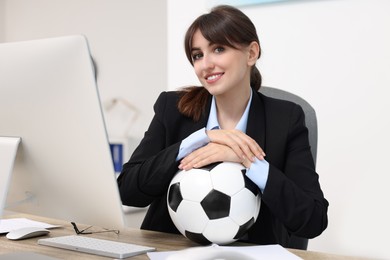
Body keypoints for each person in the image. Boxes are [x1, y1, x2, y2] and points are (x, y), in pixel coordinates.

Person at [117, 5, 328, 247]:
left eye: (218, 49)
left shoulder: (286, 118)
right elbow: (127, 190)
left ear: (251, 54)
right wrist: (197, 141)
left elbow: (314, 219)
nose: (205, 64)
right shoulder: (173, 108)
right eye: (197, 55)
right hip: (174, 250)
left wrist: (248, 159)